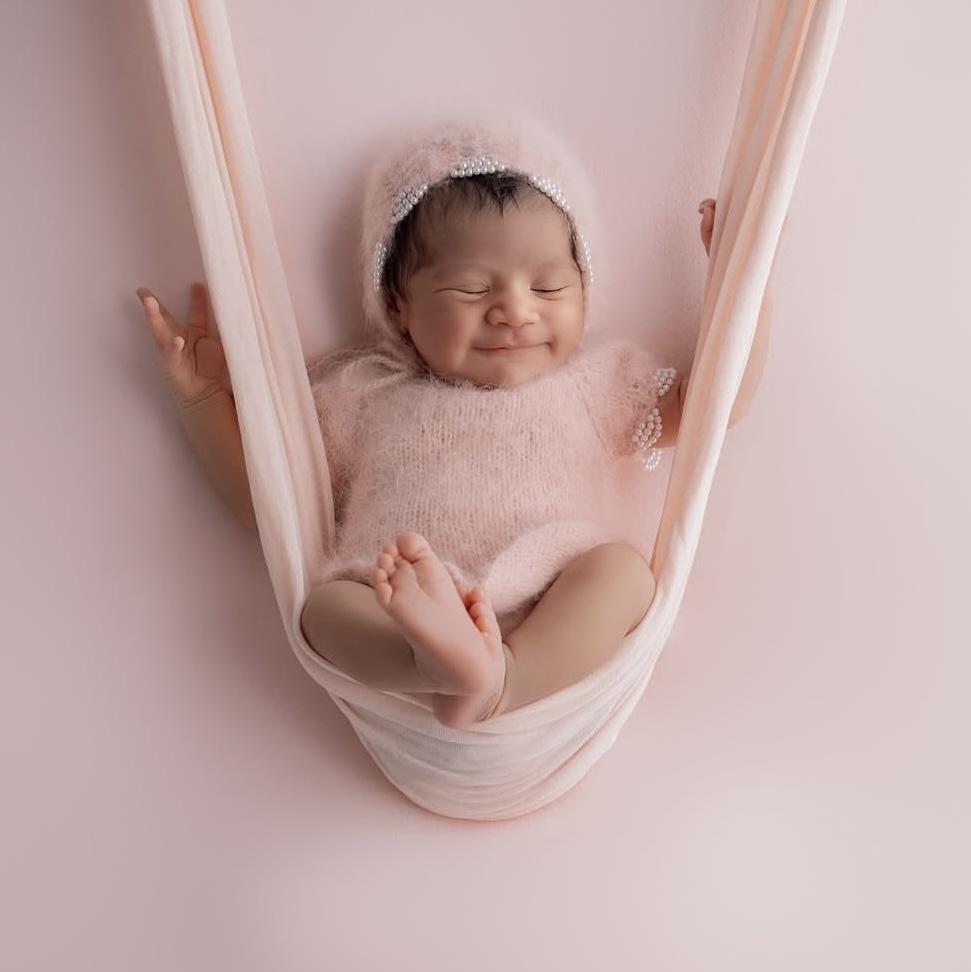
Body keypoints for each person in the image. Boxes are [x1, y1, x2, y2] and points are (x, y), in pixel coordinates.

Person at [136, 114, 764, 730]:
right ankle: (434, 662)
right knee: (325, 612)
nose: (514, 312)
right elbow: (264, 500)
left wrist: (745, 280)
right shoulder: (363, 391)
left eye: (547, 289)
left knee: (622, 575)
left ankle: (502, 679)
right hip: (402, 607)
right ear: (397, 305)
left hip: (551, 598)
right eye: (470, 290)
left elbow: (716, 403)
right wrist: (202, 398)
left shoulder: (596, 387)